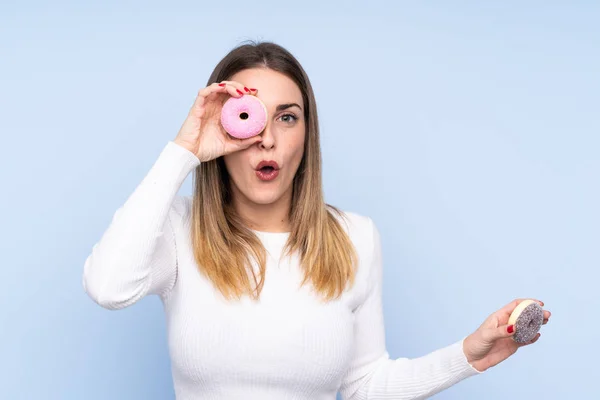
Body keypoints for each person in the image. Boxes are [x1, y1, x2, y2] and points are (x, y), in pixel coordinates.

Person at [82, 41, 551, 400]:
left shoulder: (355, 238)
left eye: (287, 118)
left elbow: (367, 382)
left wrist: (466, 355)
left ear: (307, 134)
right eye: (249, 117)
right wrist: (184, 150)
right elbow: (109, 287)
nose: (266, 139)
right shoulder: (181, 229)